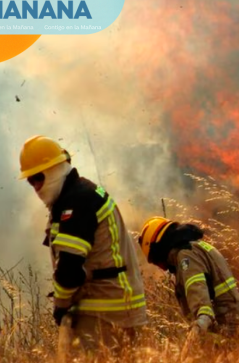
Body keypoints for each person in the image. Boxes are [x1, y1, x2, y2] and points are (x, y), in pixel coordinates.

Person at [18, 135, 147, 350]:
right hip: (114, 309)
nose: (36, 186)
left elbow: (70, 270)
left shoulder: (77, 201)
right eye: (30, 181)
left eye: (38, 177)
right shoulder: (80, 194)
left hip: (103, 312)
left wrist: (60, 305)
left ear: (55, 169)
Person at [138, 217, 239, 337]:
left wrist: (199, 327)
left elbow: (198, 292)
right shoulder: (197, 246)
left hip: (225, 330)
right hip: (234, 324)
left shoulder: (186, 256)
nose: (161, 267)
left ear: (159, 248)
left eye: (156, 260)